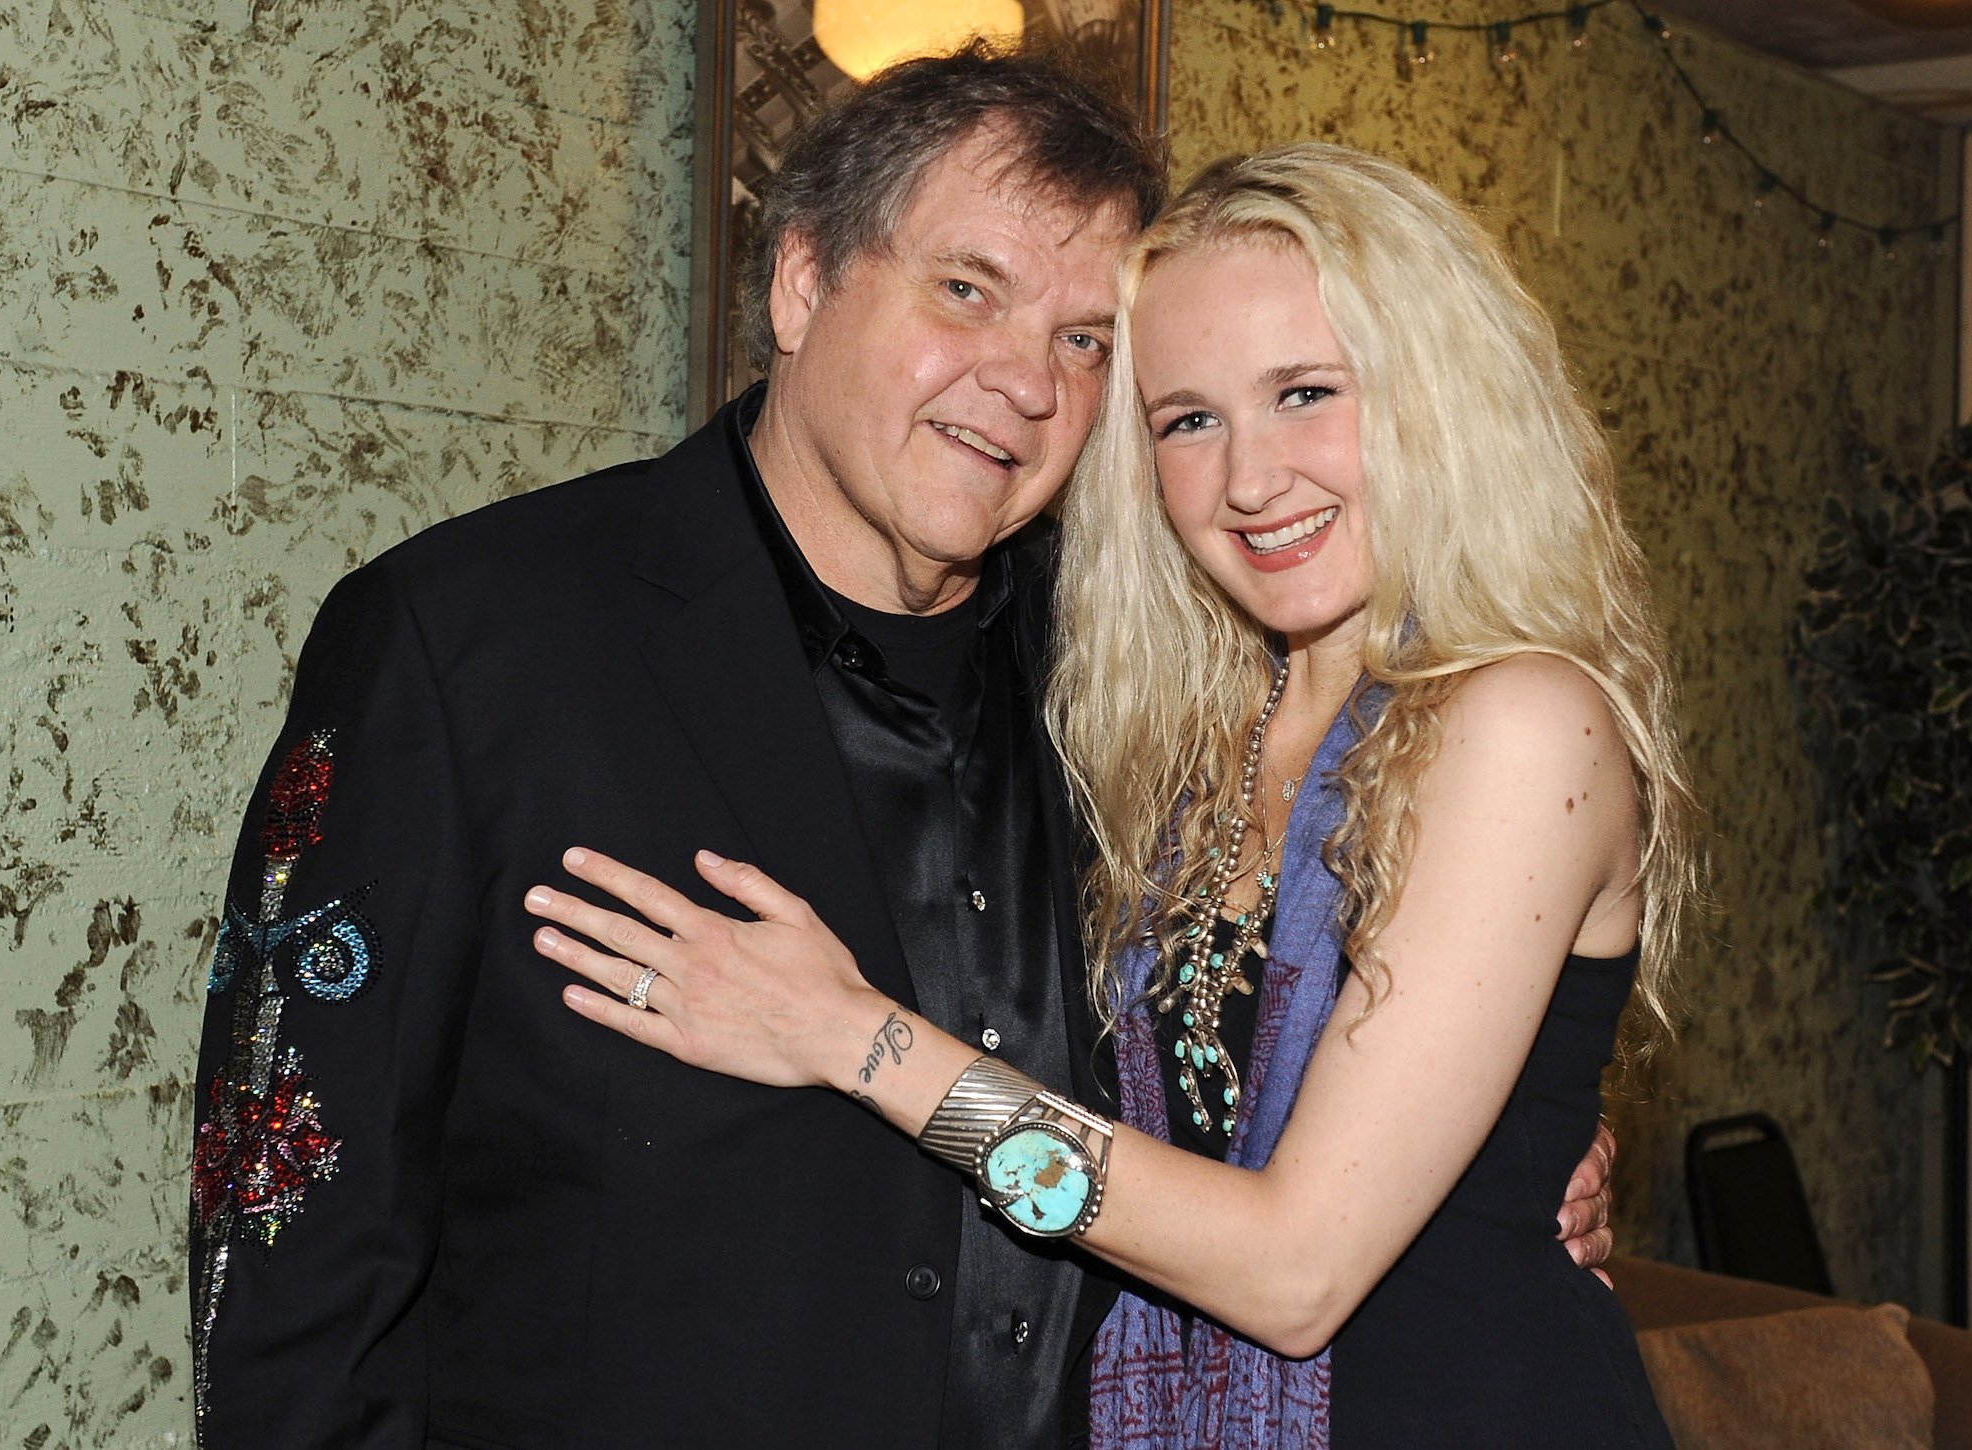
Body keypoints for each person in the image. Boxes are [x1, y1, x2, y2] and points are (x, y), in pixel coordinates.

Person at [189, 44, 1612, 1446]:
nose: (1025, 381)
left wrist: (1503, 1153)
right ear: (803, 281)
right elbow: (289, 1230)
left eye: (1084, 343)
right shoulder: (468, 642)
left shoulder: (1139, 678)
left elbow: (1283, 1113)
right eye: (967, 290)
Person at [524, 143, 1694, 1447]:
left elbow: (1295, 1273)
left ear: (1437, 392)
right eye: (1188, 419)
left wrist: (856, 1037)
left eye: (1307, 392)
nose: (1249, 479)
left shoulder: (1519, 721)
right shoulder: (1182, 744)